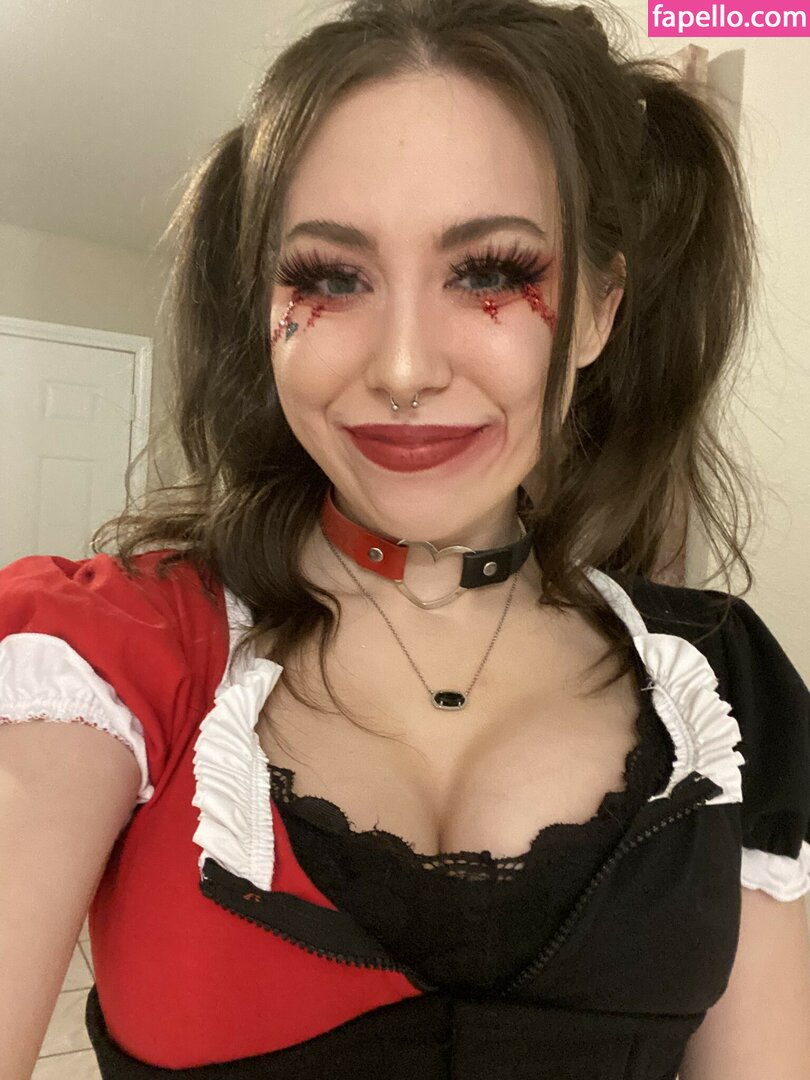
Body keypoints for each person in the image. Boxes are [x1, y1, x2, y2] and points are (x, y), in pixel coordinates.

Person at [1, 0, 809, 1076]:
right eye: (330, 279)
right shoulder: (105, 659)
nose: (403, 369)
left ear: (600, 311)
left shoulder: (722, 686)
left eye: (491, 272)